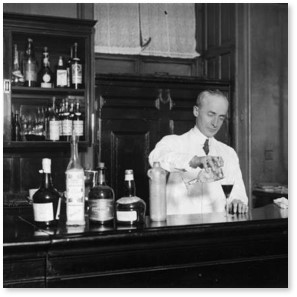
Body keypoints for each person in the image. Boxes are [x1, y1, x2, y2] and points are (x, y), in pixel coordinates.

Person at [149, 89, 248, 215]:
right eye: (211, 114)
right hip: (180, 229)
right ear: (196, 111)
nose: (215, 123)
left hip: (218, 228)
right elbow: (155, 159)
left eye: (221, 117)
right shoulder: (173, 143)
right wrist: (194, 160)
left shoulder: (229, 153)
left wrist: (238, 201)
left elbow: (238, 193)